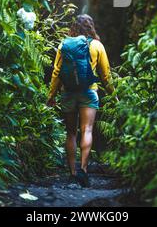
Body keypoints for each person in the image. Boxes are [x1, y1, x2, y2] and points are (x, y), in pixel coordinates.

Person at [47, 14, 115, 187]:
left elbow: (56, 72)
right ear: (91, 27)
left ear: (74, 28)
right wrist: (114, 95)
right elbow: (105, 74)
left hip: (68, 93)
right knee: (87, 130)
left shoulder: (65, 44)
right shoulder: (97, 45)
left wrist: (51, 96)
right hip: (88, 92)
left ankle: (72, 173)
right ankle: (83, 171)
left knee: (71, 133)